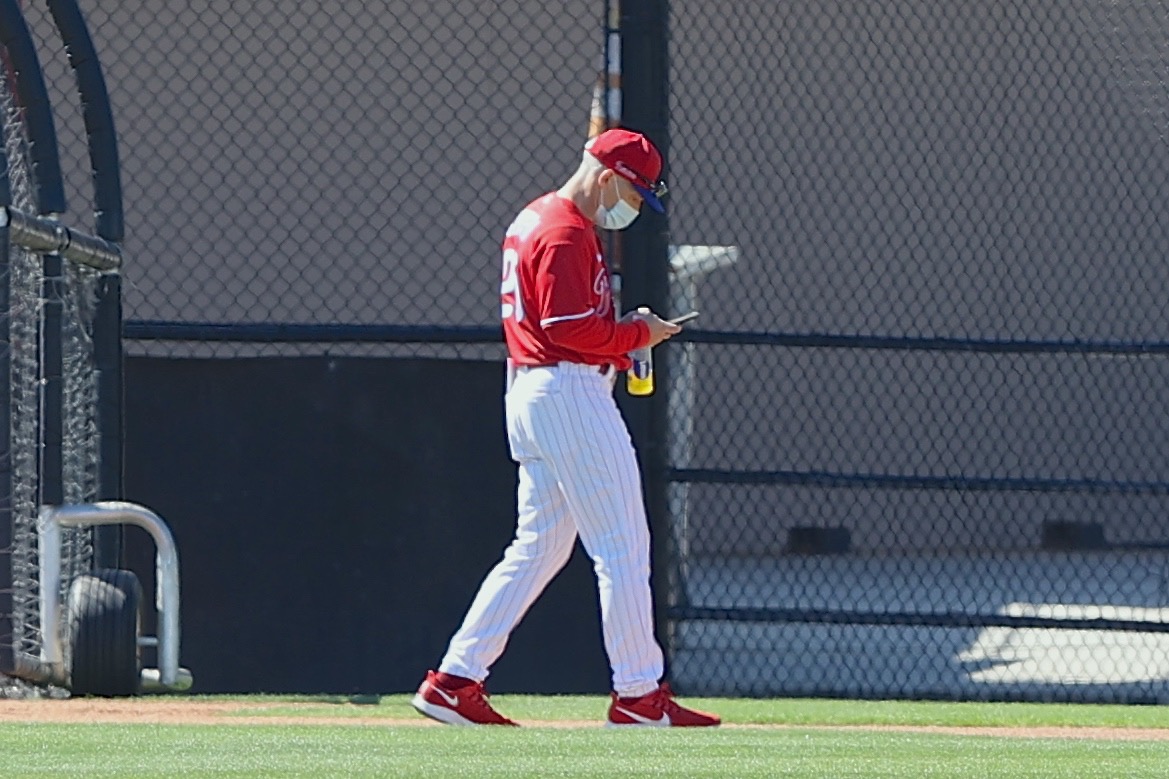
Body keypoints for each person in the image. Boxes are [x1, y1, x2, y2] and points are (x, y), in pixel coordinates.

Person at [411, 128, 720, 728]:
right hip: (567, 392)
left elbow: (569, 325)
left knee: (538, 548)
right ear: (606, 178)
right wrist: (638, 334)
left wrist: (624, 334)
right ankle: (638, 696)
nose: (632, 209)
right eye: (632, 193)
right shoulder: (564, 229)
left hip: (537, 390)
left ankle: (454, 680)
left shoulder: (538, 218)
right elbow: (568, 330)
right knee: (622, 546)